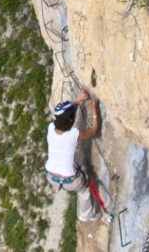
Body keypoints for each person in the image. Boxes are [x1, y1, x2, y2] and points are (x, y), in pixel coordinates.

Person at [43, 90, 102, 222]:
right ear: (71, 120)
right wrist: (94, 110)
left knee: (69, 166)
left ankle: (86, 212)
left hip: (51, 176)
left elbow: (66, 116)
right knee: (84, 190)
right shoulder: (73, 135)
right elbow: (93, 131)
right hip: (71, 181)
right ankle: (86, 214)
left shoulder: (51, 128)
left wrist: (77, 100)